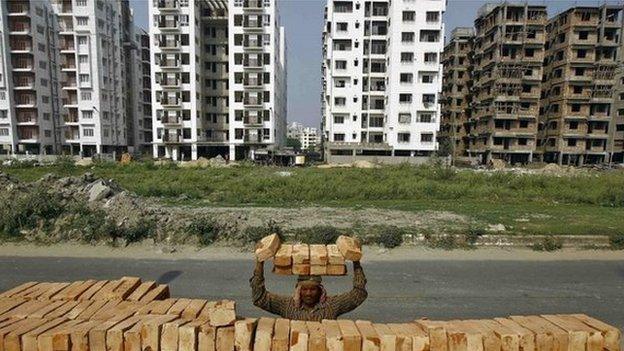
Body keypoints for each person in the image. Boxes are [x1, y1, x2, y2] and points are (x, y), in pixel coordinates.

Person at [250, 260, 368, 321]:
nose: (308, 293)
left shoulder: (331, 305)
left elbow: (358, 295)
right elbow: (260, 298)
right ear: (298, 290)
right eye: (304, 289)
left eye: (313, 289)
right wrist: (260, 263)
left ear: (320, 290)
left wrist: (356, 262)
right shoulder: (286, 305)